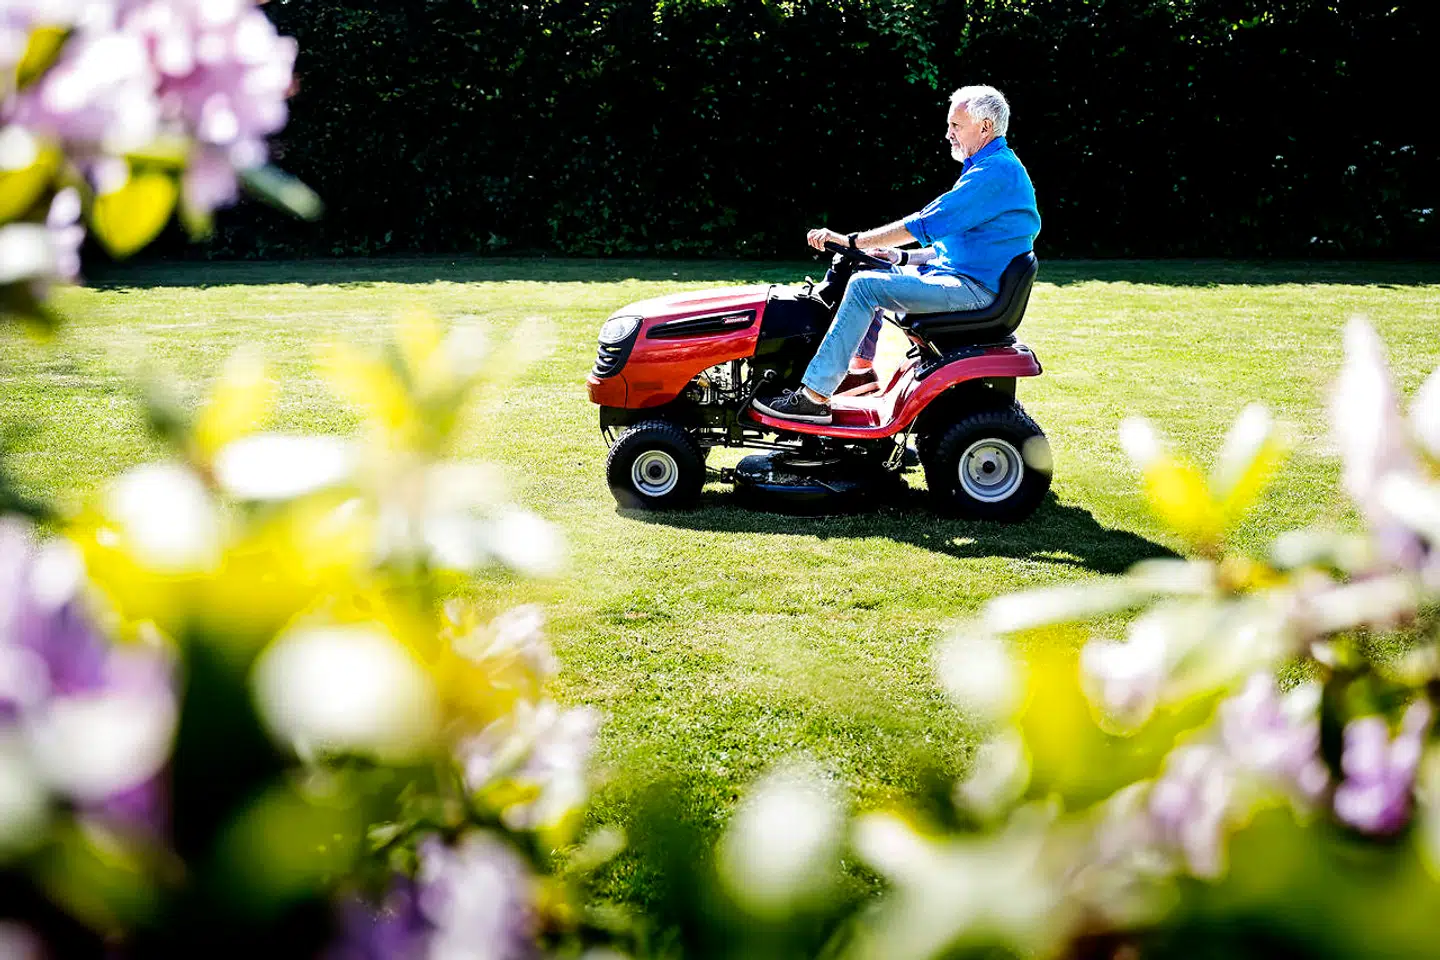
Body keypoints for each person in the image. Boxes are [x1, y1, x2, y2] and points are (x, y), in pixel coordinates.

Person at [753, 84, 1041, 424]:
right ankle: (860, 373)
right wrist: (899, 258)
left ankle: (813, 397)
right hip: (963, 279)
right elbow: (958, 250)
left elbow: (923, 223)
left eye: (955, 125)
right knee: (871, 270)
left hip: (974, 290)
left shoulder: (994, 174)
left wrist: (851, 241)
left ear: (985, 127)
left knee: (865, 287)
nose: (948, 134)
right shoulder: (992, 168)